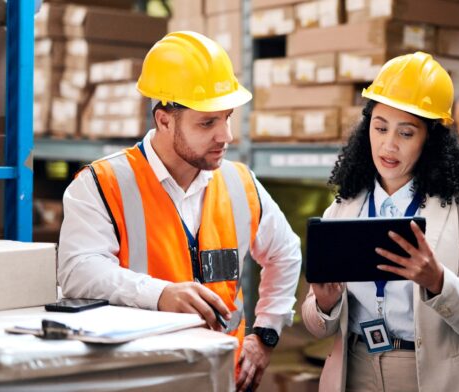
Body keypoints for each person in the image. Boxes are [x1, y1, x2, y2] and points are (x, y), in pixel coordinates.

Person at [57, 32, 302, 392]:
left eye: (227, 118)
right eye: (208, 123)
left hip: (221, 377)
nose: (226, 136)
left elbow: (286, 252)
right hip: (142, 377)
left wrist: (266, 334)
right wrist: (160, 294)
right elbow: (78, 270)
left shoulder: (239, 183)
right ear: (164, 120)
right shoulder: (101, 183)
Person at [301, 51, 459, 392]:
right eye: (379, 128)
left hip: (431, 377)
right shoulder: (344, 208)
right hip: (356, 370)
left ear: (430, 141)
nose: (388, 145)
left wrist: (437, 281)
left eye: (406, 133)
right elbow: (318, 326)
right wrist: (324, 303)